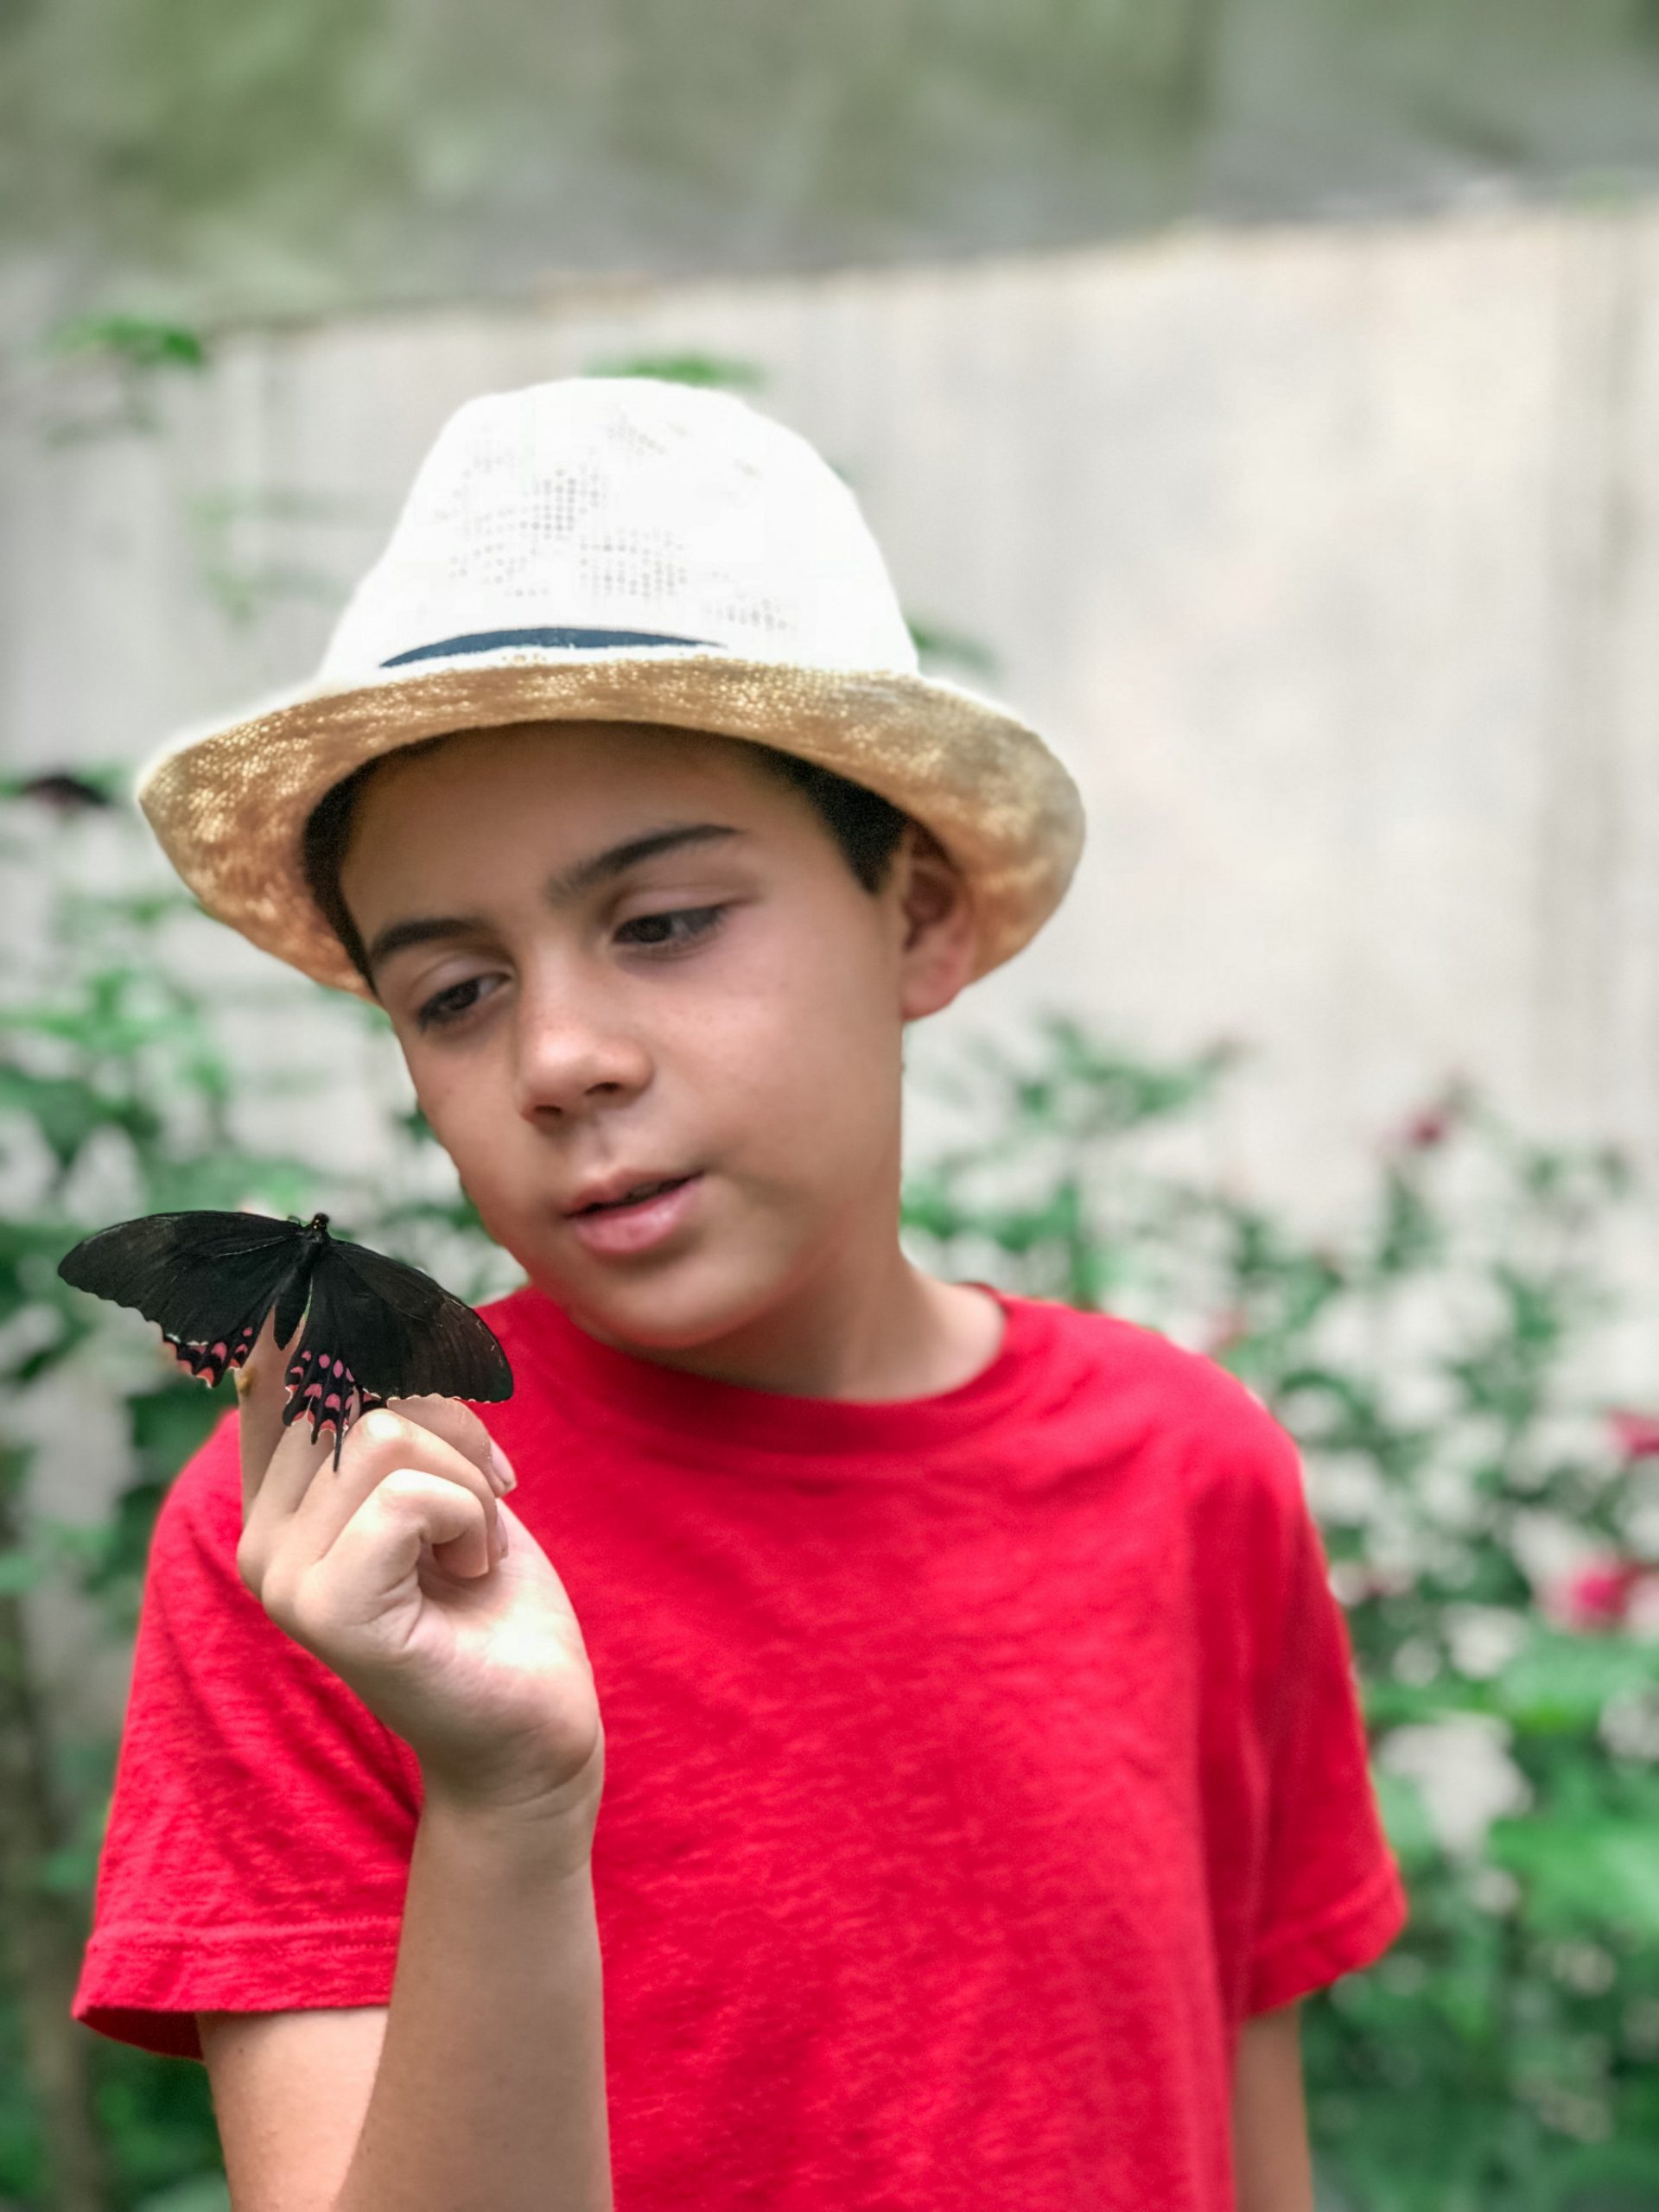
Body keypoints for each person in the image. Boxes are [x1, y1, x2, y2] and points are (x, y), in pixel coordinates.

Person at [71, 376, 1407, 2212]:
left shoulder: (1192, 1472)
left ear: (918, 913)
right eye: (452, 990)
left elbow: (1243, 2131)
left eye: (667, 920)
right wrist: (510, 1806)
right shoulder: (338, 1542)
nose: (561, 1053)